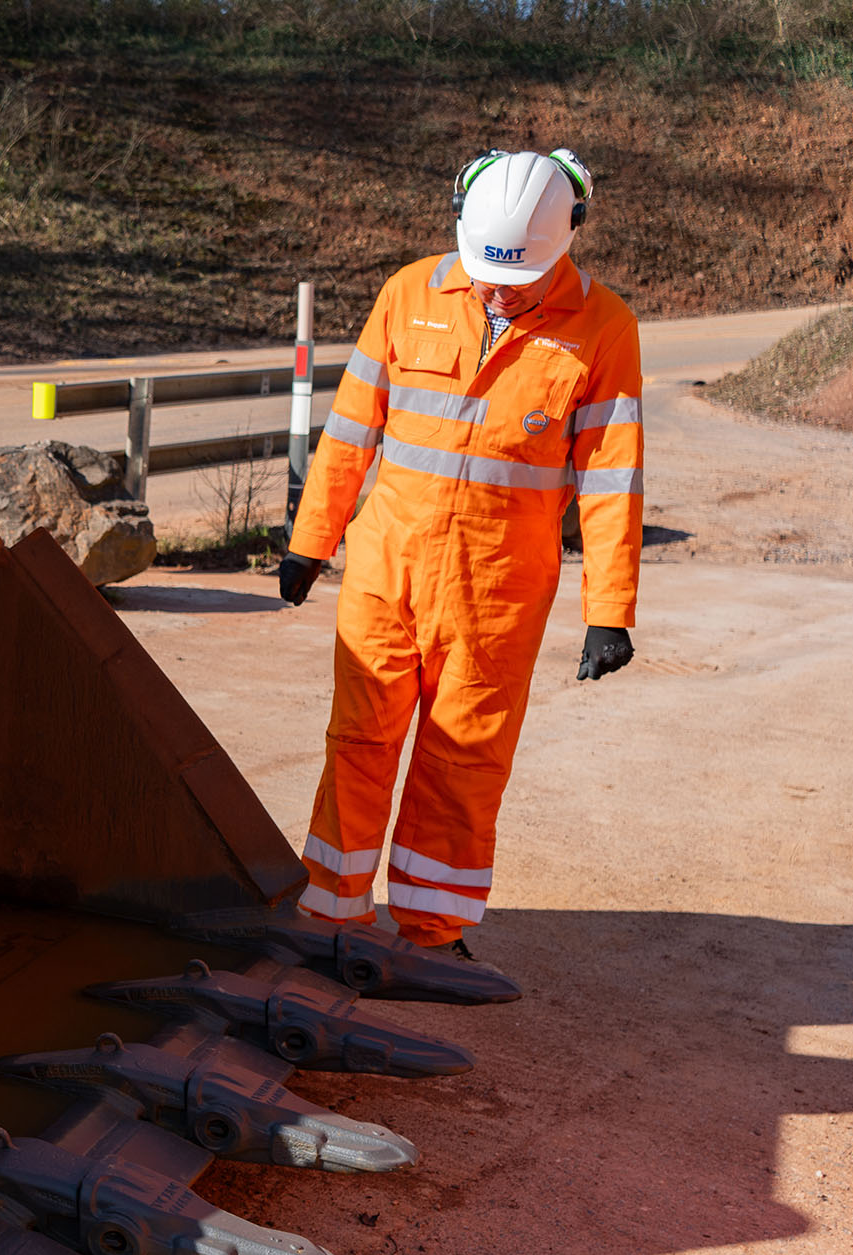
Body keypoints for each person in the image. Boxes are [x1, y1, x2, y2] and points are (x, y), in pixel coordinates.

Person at [275, 148, 642, 961]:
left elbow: (612, 477)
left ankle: (434, 933)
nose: (498, 292)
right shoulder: (408, 294)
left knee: (464, 760)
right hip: (386, 571)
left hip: (497, 591)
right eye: (488, 274)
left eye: (518, 280)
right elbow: (351, 429)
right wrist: (310, 540)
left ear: (568, 237)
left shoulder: (604, 327)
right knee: (359, 743)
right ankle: (330, 913)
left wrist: (609, 610)